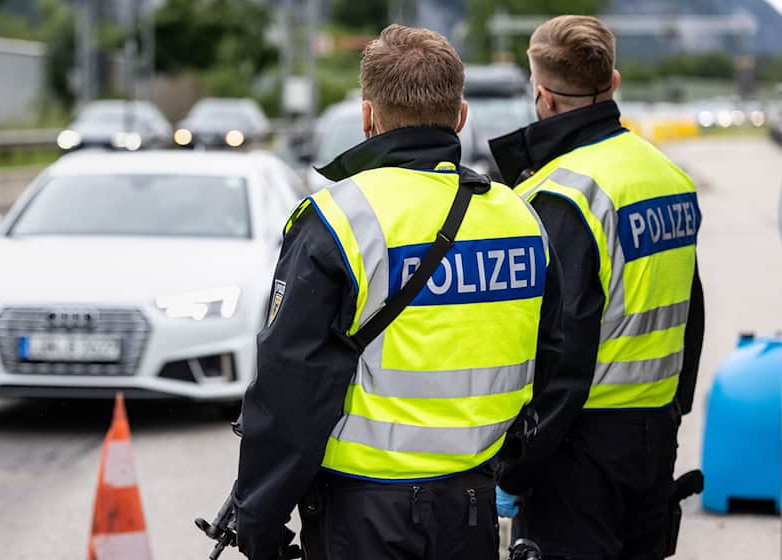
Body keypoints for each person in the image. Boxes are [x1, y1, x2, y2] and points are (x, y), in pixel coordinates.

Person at [233, 24, 572, 560]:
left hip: (363, 516)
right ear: (461, 116)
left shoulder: (339, 219)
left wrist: (259, 519)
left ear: (369, 117)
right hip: (471, 504)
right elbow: (554, 358)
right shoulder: (521, 218)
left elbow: (290, 387)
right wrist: (513, 471)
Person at [489, 15, 705, 559]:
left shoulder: (562, 197)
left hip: (578, 450)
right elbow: (690, 314)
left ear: (542, 95)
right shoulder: (669, 177)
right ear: (613, 83)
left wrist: (517, 467)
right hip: (654, 433)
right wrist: (672, 410)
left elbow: (562, 351)